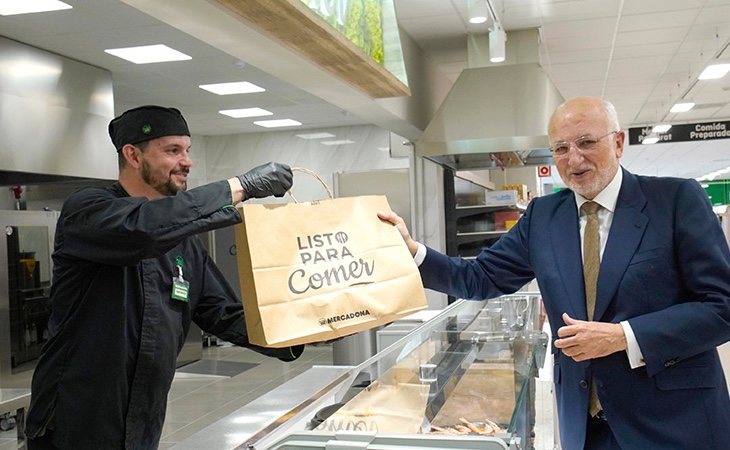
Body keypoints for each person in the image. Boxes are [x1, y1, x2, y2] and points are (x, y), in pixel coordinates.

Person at [379, 96, 730, 450]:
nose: (574, 159)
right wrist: (414, 252)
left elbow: (722, 306)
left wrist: (624, 336)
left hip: (674, 423)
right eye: (560, 148)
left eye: (587, 142)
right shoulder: (543, 217)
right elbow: (479, 277)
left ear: (619, 142)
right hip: (586, 427)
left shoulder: (675, 200)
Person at [25, 105, 303, 449]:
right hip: (74, 424)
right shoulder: (88, 210)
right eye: (172, 150)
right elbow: (144, 229)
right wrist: (239, 187)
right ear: (133, 155)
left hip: (142, 422)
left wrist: (308, 329)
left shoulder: (184, 239)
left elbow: (224, 313)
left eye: (187, 150)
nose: (186, 161)